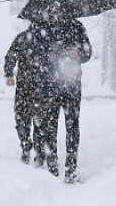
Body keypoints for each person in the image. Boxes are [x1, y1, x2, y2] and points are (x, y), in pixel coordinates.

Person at [29, 18, 91, 184]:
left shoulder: (77, 26)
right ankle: (52, 167)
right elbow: (34, 52)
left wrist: (78, 52)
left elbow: (87, 53)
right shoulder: (40, 27)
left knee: (72, 127)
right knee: (50, 129)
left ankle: (71, 169)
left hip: (72, 87)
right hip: (49, 88)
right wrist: (57, 50)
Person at [3, 26, 45, 167]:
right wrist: (9, 73)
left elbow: (10, 55)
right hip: (32, 86)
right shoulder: (26, 38)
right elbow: (11, 55)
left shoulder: (24, 37)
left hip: (33, 86)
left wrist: (9, 73)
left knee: (26, 119)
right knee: (30, 120)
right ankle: (30, 148)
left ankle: (33, 149)